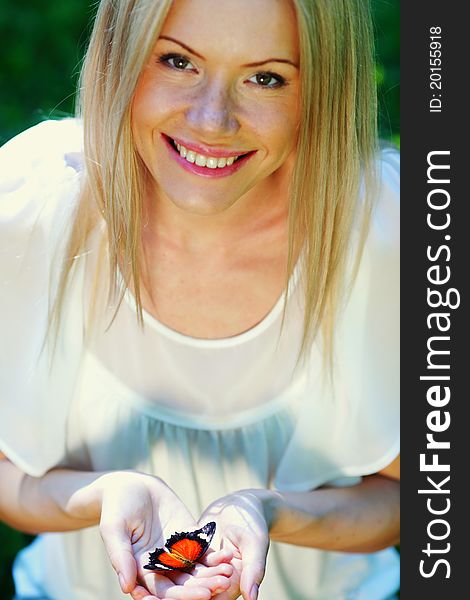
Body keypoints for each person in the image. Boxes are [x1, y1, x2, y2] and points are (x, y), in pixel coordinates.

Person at [0, 0, 400, 598]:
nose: (213, 120)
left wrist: (270, 511)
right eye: (177, 61)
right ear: (121, 52)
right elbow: (10, 479)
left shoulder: (387, 233)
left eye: (266, 77)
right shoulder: (33, 206)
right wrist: (107, 494)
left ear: (323, 85)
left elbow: (406, 498)